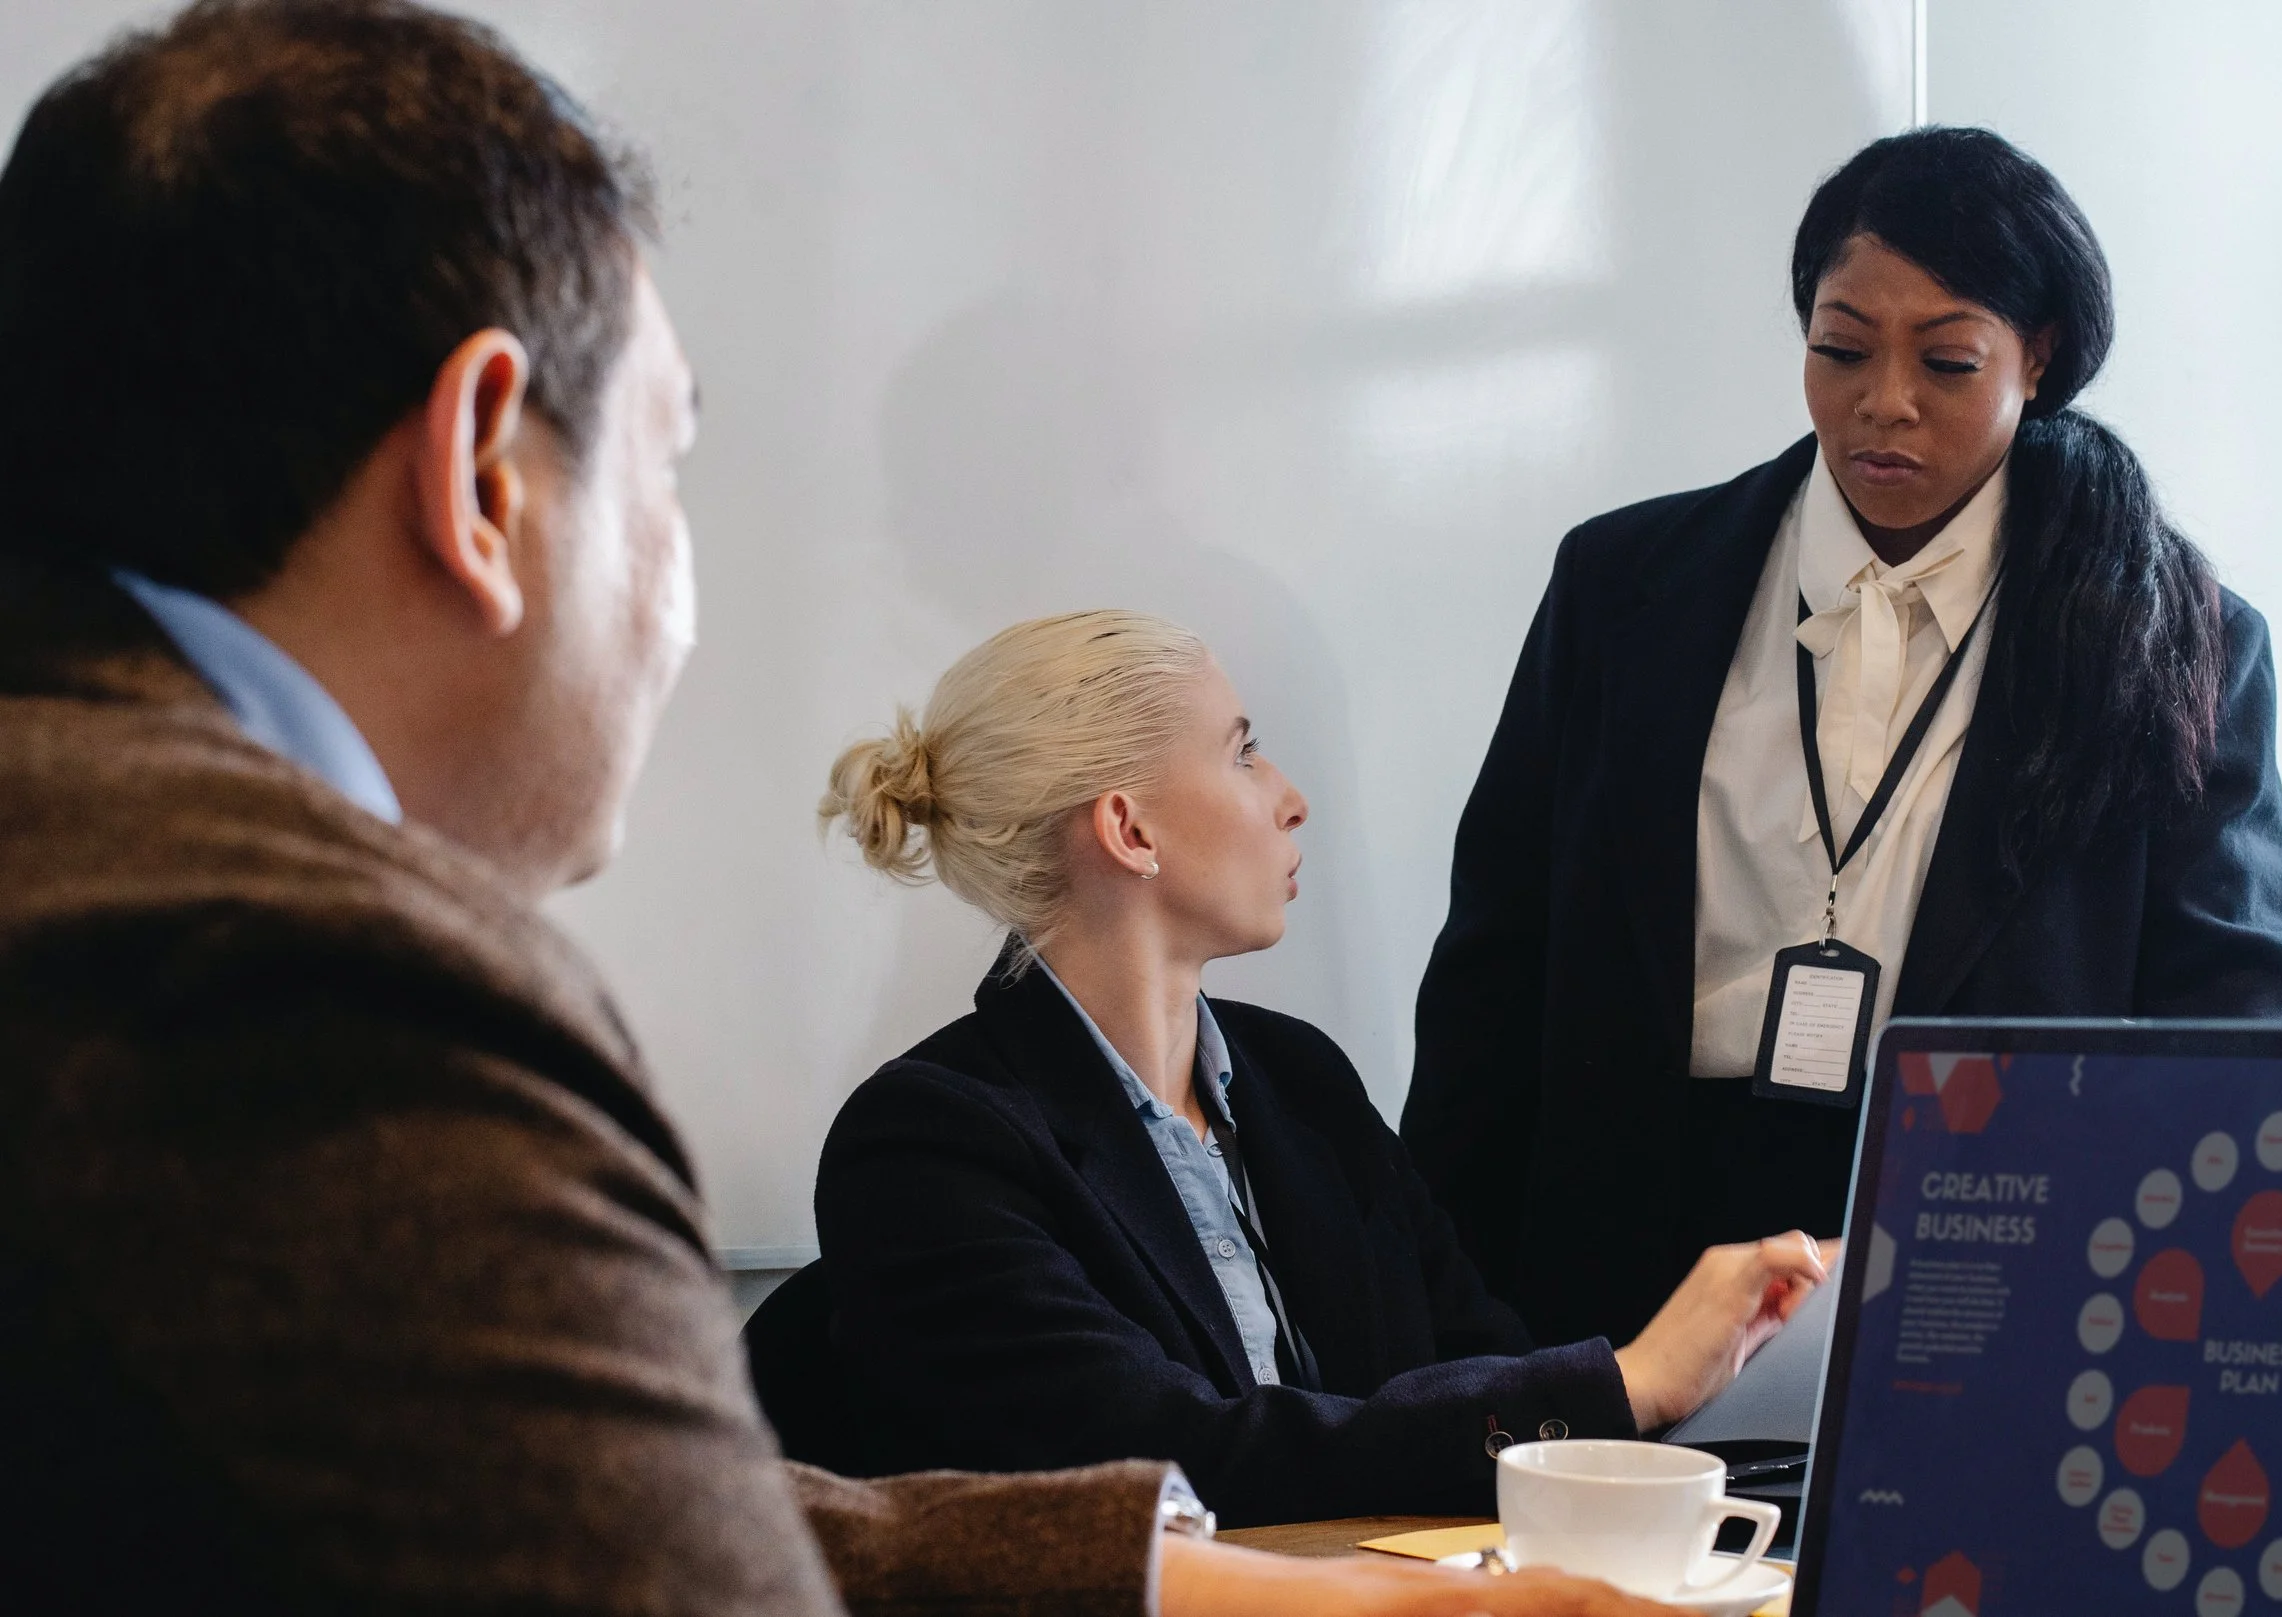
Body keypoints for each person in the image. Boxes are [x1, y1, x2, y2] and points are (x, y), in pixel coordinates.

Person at [0, 5, 1690, 1614]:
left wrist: (1233, 1587)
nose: (682, 595)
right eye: (667, 466)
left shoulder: (99, 849)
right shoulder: (307, 989)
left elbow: (688, 1505)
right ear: (482, 470)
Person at [1401, 126, 2282, 1354]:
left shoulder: (2176, 635)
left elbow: (2232, 1022)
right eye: (1839, 350)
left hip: (1996, 1240)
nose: (1882, 403)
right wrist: (1430, 1305)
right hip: (1626, 1235)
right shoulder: (1624, 585)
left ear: (2036, 359)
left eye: (1946, 361)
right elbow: (1494, 974)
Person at [749, 611, 1829, 1527]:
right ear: (1128, 828)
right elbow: (1164, 1471)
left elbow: (1472, 1362)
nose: (1291, 797)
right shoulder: (928, 1145)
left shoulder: (1298, 1080)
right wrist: (1624, 1380)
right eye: (1244, 752)